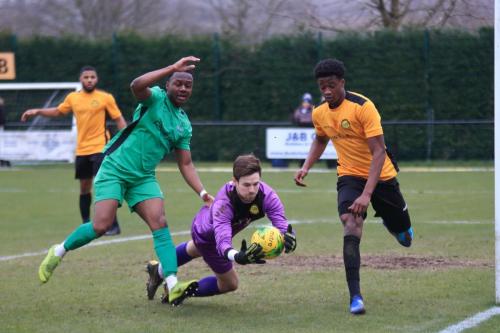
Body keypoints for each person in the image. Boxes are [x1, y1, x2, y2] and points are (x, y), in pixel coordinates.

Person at [36, 56, 215, 306]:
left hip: (143, 178)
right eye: (178, 83)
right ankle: (58, 251)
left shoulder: (183, 124)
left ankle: (172, 284)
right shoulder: (154, 98)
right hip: (115, 168)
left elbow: (185, 164)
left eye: (188, 86)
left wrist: (203, 193)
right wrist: (172, 67)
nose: (183, 89)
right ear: (169, 85)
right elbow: (135, 85)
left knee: (160, 222)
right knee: (101, 225)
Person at [294, 58, 413, 315]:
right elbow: (320, 139)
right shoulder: (319, 112)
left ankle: (394, 223)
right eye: (322, 86)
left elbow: (379, 152)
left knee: (405, 238)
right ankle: (355, 297)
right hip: (349, 176)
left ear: (342, 83)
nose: (326, 91)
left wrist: (367, 195)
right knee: (351, 221)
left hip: (382, 177)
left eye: (331, 85)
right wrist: (306, 167)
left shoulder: (363, 107)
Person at [145, 154, 297, 304]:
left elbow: (282, 224)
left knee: (194, 249)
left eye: (255, 184)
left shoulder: (267, 195)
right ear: (234, 181)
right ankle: (177, 291)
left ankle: (158, 270)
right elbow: (222, 243)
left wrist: (289, 237)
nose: (252, 190)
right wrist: (237, 256)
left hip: (212, 229)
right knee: (230, 284)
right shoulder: (224, 204)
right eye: (246, 185)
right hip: (206, 235)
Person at [21, 66, 127, 235]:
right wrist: (38, 111)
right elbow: (58, 111)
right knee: (84, 188)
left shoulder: (105, 98)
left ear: (97, 79)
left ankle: (113, 225)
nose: (90, 80)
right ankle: (86, 224)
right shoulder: (73, 98)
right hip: (82, 150)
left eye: (92, 77)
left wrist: (125, 141)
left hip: (101, 148)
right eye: (86, 77)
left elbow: (119, 119)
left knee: (105, 186)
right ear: (81, 79)